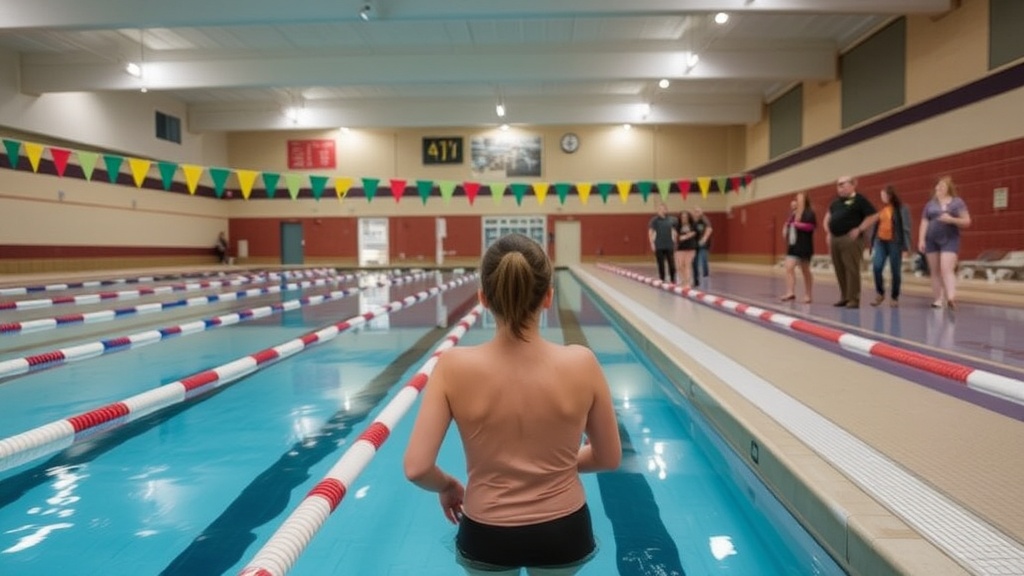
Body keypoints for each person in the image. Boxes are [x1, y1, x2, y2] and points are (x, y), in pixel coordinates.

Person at [403, 233, 622, 576]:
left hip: (486, 532)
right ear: (548, 297)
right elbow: (608, 457)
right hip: (564, 531)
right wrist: (555, 463)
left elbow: (416, 468)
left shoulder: (453, 366)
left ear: (483, 298)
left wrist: (448, 486)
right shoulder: (582, 363)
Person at [823, 175, 878, 308]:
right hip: (835, 239)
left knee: (851, 269)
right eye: (838, 185)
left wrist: (859, 229)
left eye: (843, 184)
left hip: (850, 239)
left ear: (853, 185)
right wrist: (829, 232)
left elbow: (873, 215)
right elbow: (827, 217)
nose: (840, 187)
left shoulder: (859, 200)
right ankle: (845, 296)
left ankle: (854, 298)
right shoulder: (835, 203)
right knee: (839, 268)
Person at [918, 175, 971, 310]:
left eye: (942, 186)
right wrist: (921, 239)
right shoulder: (930, 204)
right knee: (934, 270)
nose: (939, 188)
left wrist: (952, 220)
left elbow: (966, 221)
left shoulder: (957, 202)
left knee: (946, 268)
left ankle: (951, 297)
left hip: (950, 239)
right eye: (938, 186)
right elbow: (924, 222)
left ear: (948, 189)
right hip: (931, 240)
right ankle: (938, 299)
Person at [869, 185, 912, 307]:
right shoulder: (883, 209)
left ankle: (894, 296)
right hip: (881, 242)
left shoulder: (902, 209)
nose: (882, 197)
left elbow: (906, 228)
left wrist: (906, 247)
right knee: (877, 267)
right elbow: (876, 226)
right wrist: (873, 242)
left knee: (895, 271)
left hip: (895, 242)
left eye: (884, 195)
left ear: (890, 195)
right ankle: (880, 293)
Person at [779, 192, 816, 303]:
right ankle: (790, 292)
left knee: (805, 270)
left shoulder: (809, 213)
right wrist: (786, 227)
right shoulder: (792, 216)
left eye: (799, 200)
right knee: (789, 267)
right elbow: (788, 227)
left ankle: (808, 294)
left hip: (804, 245)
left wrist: (797, 224)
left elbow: (811, 227)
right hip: (793, 245)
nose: (796, 202)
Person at [648, 202, 678, 283]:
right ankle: (662, 279)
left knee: (671, 263)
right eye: (660, 209)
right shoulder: (654, 220)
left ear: (666, 210)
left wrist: (675, 240)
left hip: (669, 245)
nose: (662, 210)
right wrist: (652, 243)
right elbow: (650, 232)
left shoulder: (672, 219)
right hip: (659, 245)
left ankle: (673, 279)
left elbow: (675, 231)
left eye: (663, 209)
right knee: (660, 264)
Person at [674, 209, 699, 289]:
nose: (684, 218)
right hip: (680, 248)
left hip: (690, 248)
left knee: (687, 265)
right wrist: (687, 236)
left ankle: (687, 283)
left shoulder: (693, 225)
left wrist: (685, 236)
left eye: (686, 217)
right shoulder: (678, 226)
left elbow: (695, 233)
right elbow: (677, 238)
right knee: (680, 266)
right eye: (682, 217)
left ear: (688, 218)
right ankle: (683, 281)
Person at [691, 207, 713, 287]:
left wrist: (704, 238)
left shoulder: (704, 220)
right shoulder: (692, 221)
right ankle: (696, 279)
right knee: (694, 261)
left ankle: (705, 276)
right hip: (695, 244)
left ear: (701, 212)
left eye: (698, 211)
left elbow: (709, 229)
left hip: (704, 244)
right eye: (695, 211)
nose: (696, 213)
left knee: (703, 259)